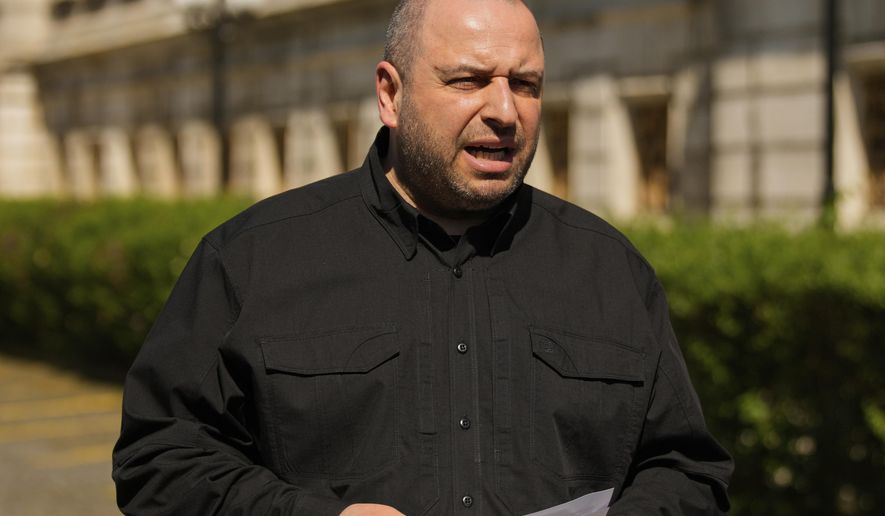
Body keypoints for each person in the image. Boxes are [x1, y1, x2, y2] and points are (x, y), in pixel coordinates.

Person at [112, 0, 733, 514]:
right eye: (468, 80)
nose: (505, 111)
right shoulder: (250, 259)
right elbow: (160, 462)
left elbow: (688, 470)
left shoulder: (611, 270)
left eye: (525, 85)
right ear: (390, 94)